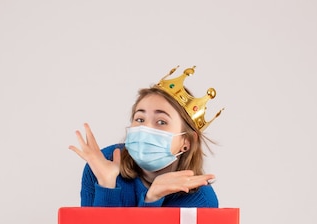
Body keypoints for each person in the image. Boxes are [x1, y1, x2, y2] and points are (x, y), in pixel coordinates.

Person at [69, 66, 223, 208]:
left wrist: (152, 199)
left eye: (161, 122)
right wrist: (107, 184)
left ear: (187, 141)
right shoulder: (102, 163)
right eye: (140, 119)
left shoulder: (201, 199)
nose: (145, 128)